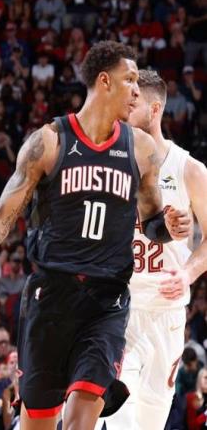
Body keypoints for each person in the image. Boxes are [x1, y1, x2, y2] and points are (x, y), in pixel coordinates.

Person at [0, 40, 189, 429]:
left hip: (106, 303)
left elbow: (153, 222)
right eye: (130, 80)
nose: (137, 91)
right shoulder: (49, 142)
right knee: (38, 422)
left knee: (80, 421)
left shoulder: (140, 149)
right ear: (104, 81)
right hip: (51, 299)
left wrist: (168, 228)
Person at [99, 70, 207, 429]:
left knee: (151, 420)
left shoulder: (189, 169)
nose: (125, 110)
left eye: (134, 104)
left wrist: (188, 272)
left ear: (155, 109)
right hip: (121, 307)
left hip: (167, 312)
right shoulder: (111, 165)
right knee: (119, 414)